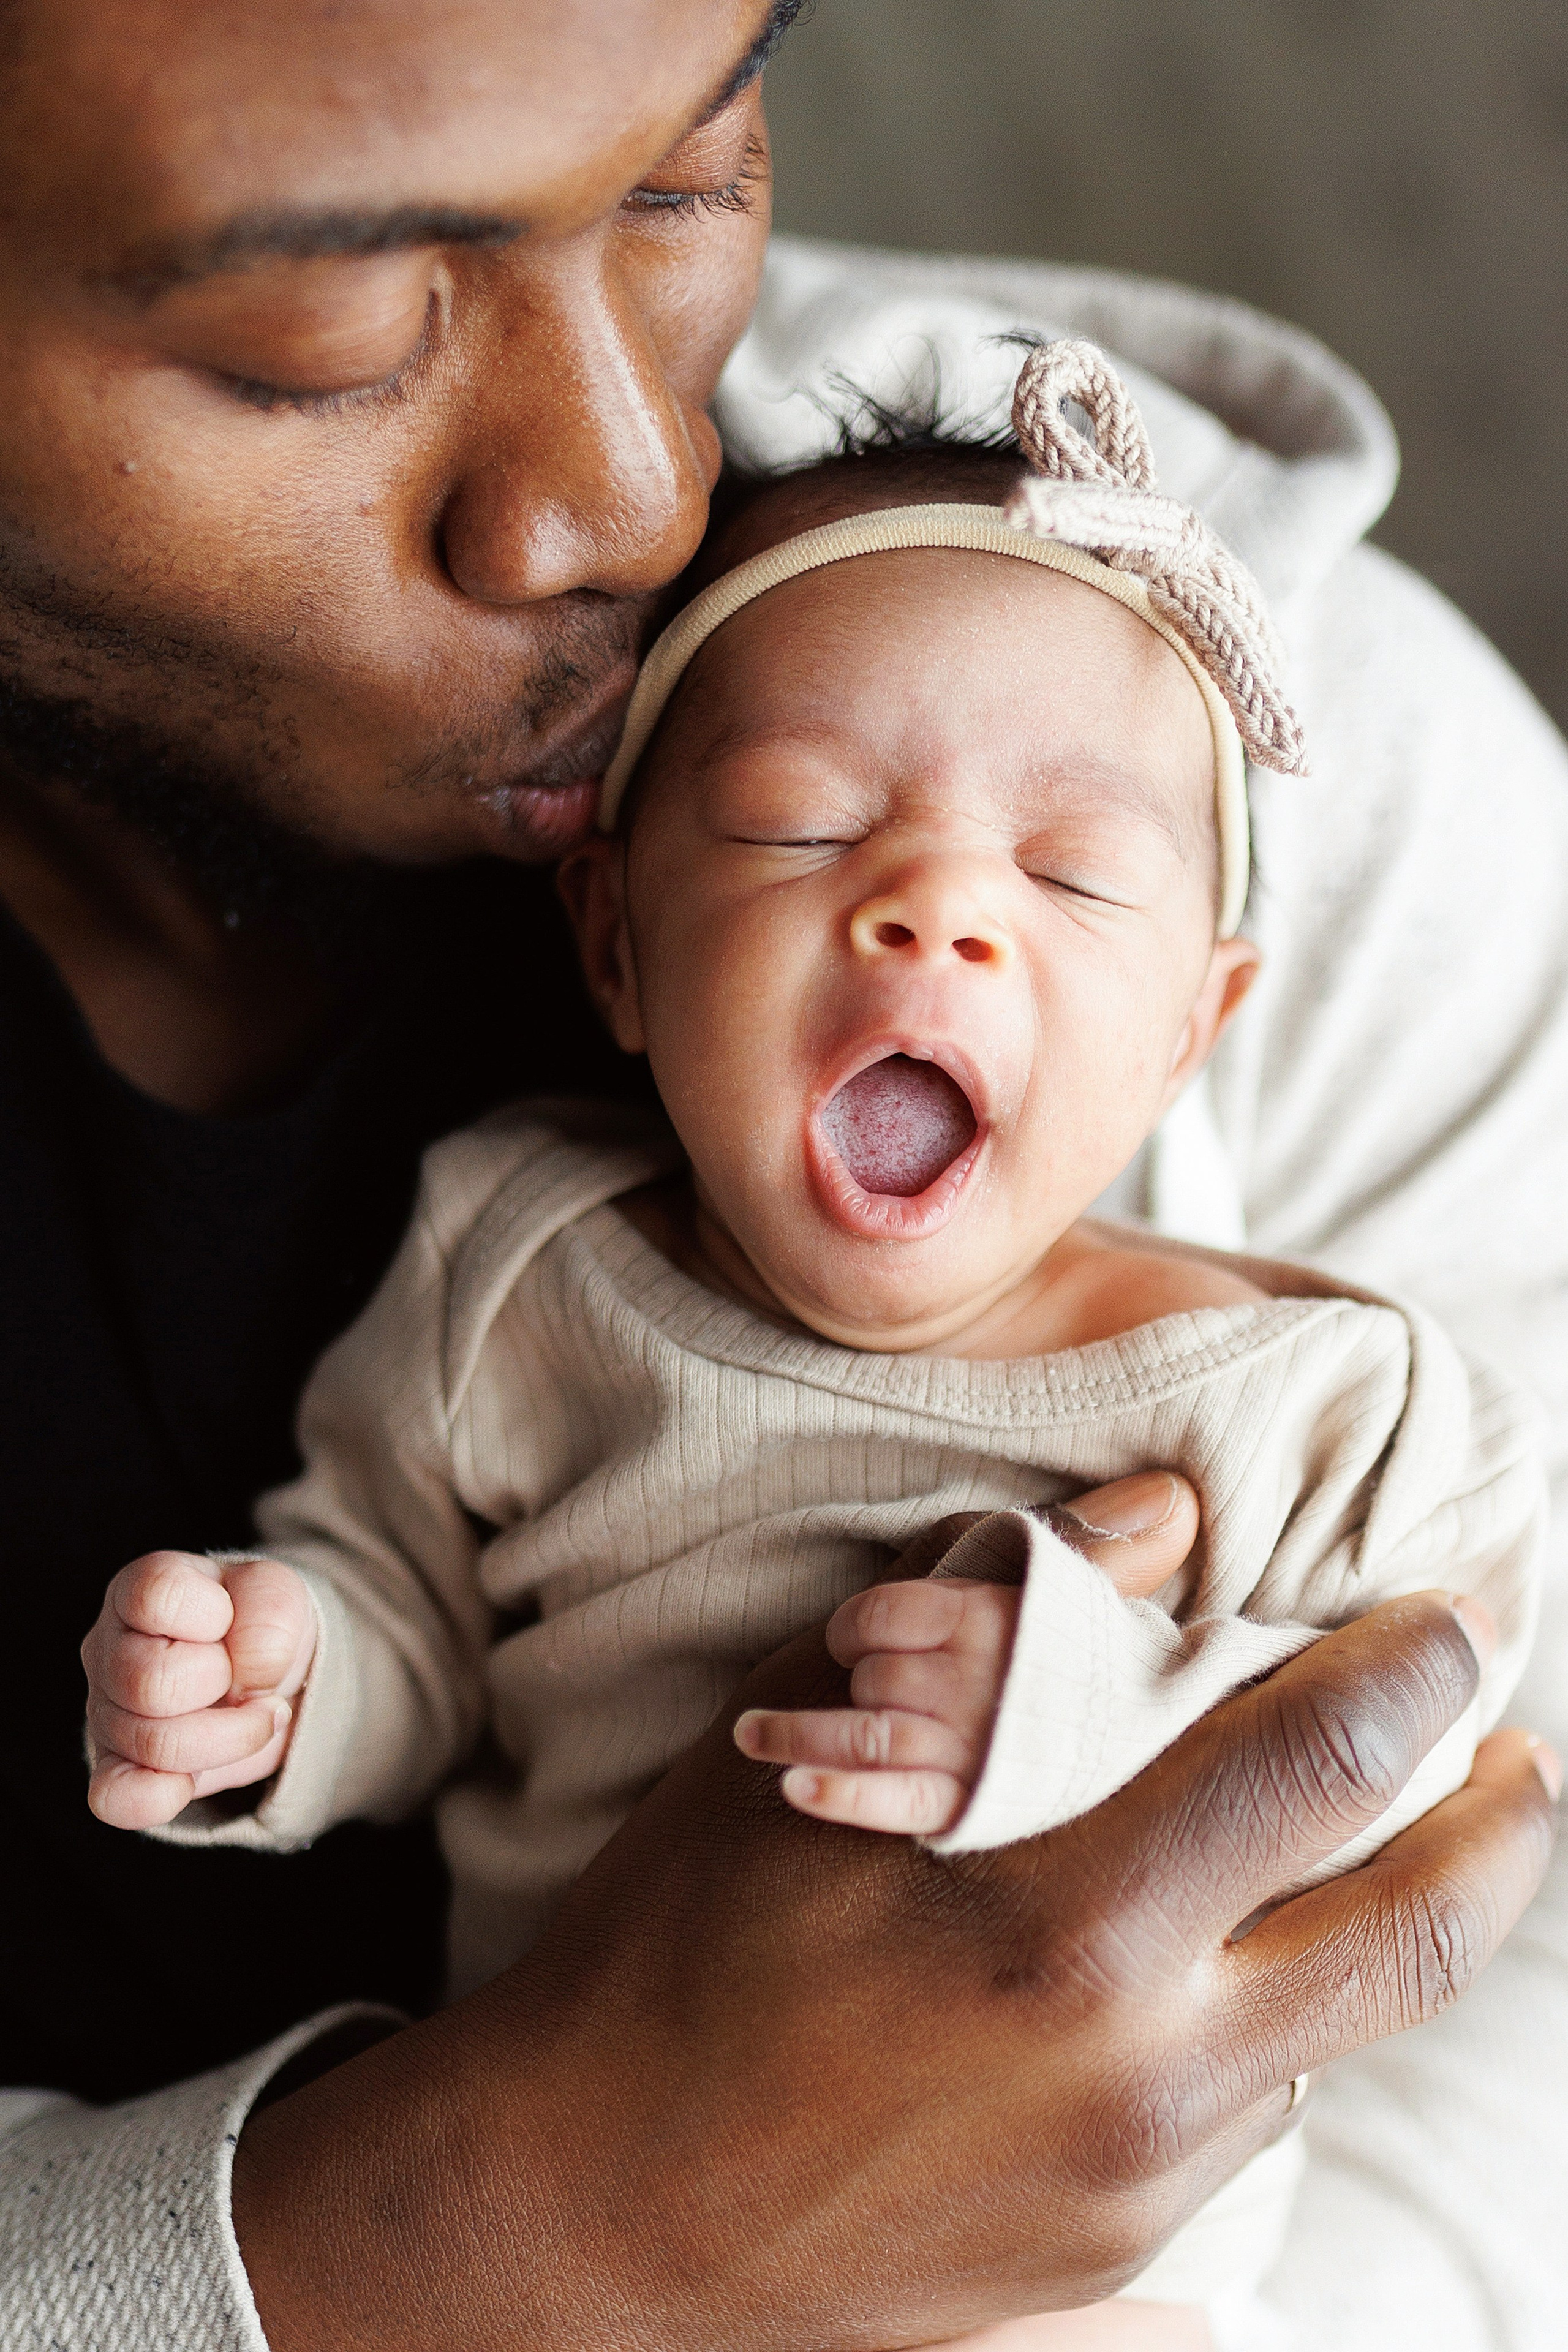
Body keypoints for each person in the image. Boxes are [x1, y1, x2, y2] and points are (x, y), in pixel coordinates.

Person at [0, 2, 1561, 2346]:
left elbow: (1473, 1814)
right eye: (318, 333)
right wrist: (474, 2229)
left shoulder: (1309, 867)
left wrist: (1097, 1701)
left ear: (1203, 1008)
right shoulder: (532, 1269)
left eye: (686, 169)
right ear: (611, 938)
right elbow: (405, 1590)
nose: (634, 494)